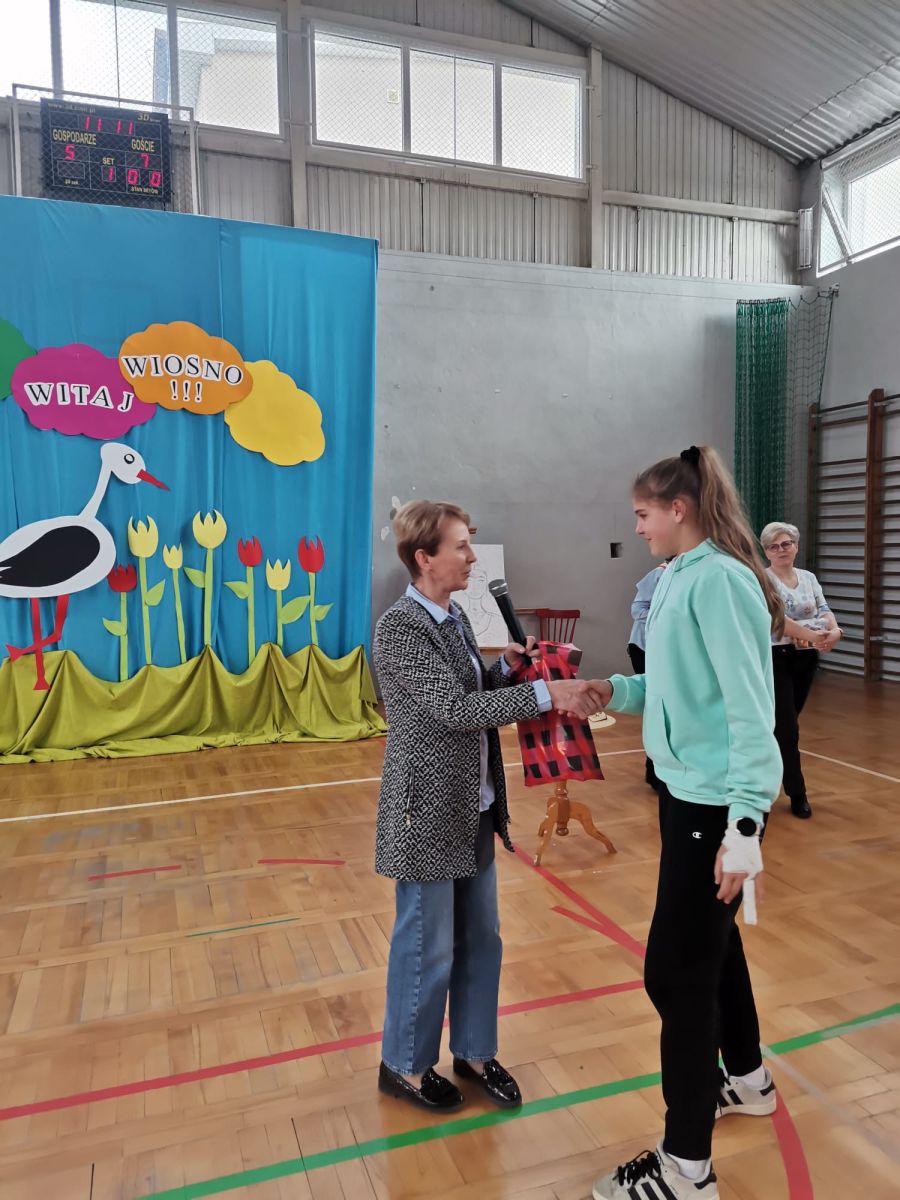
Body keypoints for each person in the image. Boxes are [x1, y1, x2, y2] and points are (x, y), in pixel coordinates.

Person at [589, 446, 783, 1200]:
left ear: (679, 510)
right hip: (683, 796)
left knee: (676, 974)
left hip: (716, 808)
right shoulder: (677, 575)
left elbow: (750, 710)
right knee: (713, 950)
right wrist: (613, 690)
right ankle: (750, 1079)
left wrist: (745, 827)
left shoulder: (722, 581)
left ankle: (686, 1169)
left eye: (643, 514)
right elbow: (675, 686)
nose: (637, 527)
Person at [373, 500, 605, 1113]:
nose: (472, 557)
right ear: (425, 558)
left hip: (472, 805)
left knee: (482, 937)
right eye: (461, 546)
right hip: (426, 813)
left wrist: (506, 668)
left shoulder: (452, 619)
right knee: (427, 946)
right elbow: (452, 711)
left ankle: (474, 1052)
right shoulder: (400, 628)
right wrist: (545, 692)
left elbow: (472, 691)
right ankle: (404, 1065)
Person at [761, 521, 842, 819]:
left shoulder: (808, 578)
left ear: (796, 546)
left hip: (806, 657)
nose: (781, 550)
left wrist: (835, 632)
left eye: (786, 544)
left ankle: (760, 778)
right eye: (773, 546)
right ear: (766, 551)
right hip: (776, 657)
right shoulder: (763, 579)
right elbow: (775, 620)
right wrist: (814, 635)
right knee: (787, 728)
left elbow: (824, 610)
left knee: (785, 723)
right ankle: (797, 793)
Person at [627, 559, 670, 790]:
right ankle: (654, 773)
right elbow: (637, 610)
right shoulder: (658, 574)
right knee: (656, 706)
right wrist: (667, 616)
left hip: (666, 647)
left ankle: (663, 770)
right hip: (644, 647)